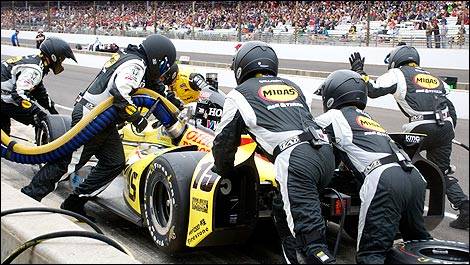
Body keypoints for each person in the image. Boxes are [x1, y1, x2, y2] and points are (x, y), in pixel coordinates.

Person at [20, 34, 177, 220]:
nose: (162, 73)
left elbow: (154, 87)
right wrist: (136, 117)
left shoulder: (133, 58)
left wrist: (176, 104)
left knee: (114, 162)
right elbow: (120, 91)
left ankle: (74, 202)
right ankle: (27, 198)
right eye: (163, 67)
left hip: (102, 120)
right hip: (91, 117)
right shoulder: (136, 64)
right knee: (66, 163)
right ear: (159, 58)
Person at [212, 41, 336, 264]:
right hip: (324, 153)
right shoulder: (294, 87)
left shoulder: (238, 95)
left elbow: (223, 142)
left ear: (241, 67)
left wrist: (224, 170)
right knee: (283, 210)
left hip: (296, 160)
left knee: (306, 238)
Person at [314, 69, 432, 264]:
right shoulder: (369, 119)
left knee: (371, 253)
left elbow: (307, 135)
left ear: (332, 95)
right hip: (414, 177)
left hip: (385, 179)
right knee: (417, 244)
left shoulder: (334, 116)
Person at [348, 46, 469, 230]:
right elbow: (450, 108)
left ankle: (397, 210)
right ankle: (465, 208)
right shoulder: (435, 78)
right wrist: (447, 131)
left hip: (419, 127)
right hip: (446, 126)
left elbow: (371, 90)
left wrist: (359, 71)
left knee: (396, 164)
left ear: (396, 59)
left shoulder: (398, 73)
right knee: (441, 172)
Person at [1, 37, 77, 136]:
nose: (61, 62)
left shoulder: (37, 62)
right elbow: (19, 94)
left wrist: (52, 109)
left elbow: (39, 91)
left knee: (4, 132)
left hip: (4, 97)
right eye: (62, 58)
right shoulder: (35, 68)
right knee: (40, 119)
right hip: (4, 98)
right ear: (54, 56)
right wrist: (38, 113)